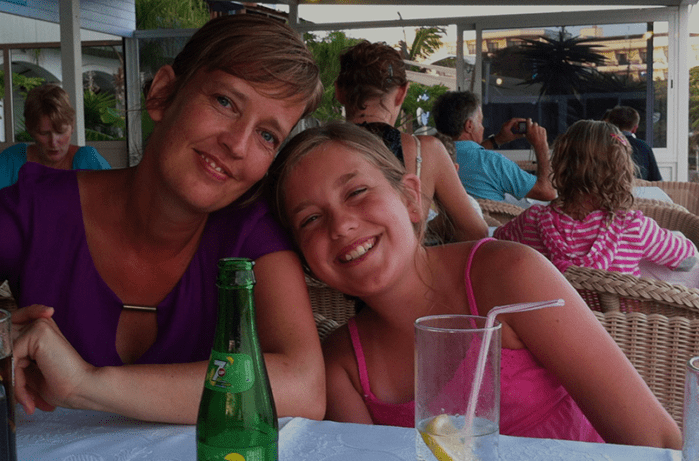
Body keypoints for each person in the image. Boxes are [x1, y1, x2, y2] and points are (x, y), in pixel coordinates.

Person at [0, 15, 326, 424]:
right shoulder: (35, 209)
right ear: (161, 94)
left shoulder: (251, 231)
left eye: (267, 135)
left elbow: (305, 388)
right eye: (225, 101)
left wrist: (87, 385)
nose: (237, 144)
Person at [268, 121, 681, 448]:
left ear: (411, 198)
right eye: (310, 219)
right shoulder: (341, 365)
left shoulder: (507, 275)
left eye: (357, 191)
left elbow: (655, 440)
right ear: (303, 256)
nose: (341, 225)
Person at [494, 120, 695, 276]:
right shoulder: (634, 227)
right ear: (620, 171)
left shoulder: (530, 221)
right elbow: (688, 260)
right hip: (623, 328)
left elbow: (496, 243)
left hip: (546, 324)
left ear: (561, 165)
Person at [335, 41, 487, 242]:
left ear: (338, 91)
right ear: (401, 93)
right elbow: (475, 231)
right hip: (406, 270)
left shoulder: (312, 150)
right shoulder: (426, 151)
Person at [0, 84, 111, 216]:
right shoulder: (14, 158)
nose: (54, 142)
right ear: (29, 129)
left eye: (61, 132)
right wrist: (15, 213)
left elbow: (120, 205)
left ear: (72, 126)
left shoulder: (88, 160)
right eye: (44, 133)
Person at [432, 90, 556, 202]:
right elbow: (548, 192)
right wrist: (541, 145)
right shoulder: (493, 163)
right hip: (490, 226)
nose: (483, 127)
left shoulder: (431, 159)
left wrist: (497, 140)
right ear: (469, 126)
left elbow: (468, 156)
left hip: (444, 227)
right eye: (480, 122)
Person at [605, 105, 662, 181]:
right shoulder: (643, 147)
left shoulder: (600, 145)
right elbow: (656, 180)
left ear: (608, 123)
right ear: (634, 128)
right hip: (638, 191)